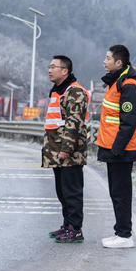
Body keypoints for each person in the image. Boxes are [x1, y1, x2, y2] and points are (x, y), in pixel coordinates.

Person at [96, 45, 136, 248]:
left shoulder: (129, 85)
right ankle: (120, 232)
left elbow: (129, 121)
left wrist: (116, 148)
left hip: (121, 149)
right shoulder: (116, 82)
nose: (104, 61)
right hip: (113, 147)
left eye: (107, 58)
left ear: (119, 63)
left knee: (121, 192)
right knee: (116, 191)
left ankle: (124, 235)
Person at [42, 55, 89, 243]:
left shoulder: (75, 91)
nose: (49, 69)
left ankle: (75, 229)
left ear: (65, 71)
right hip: (56, 151)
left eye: (54, 67)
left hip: (69, 153)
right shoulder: (58, 91)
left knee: (72, 192)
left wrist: (66, 150)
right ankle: (67, 225)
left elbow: (73, 123)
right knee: (62, 191)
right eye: (49, 66)